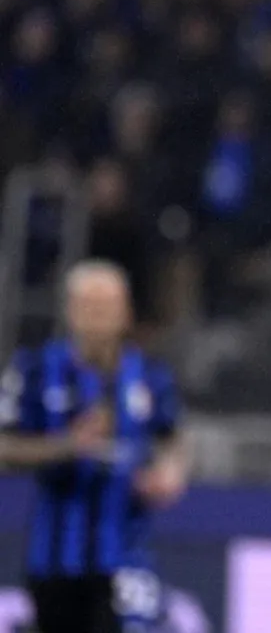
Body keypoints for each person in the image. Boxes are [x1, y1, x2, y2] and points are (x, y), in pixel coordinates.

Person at [0, 260, 189, 633]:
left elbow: (173, 438)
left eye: (107, 306)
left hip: (126, 553)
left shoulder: (150, 375)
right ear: (70, 310)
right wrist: (67, 446)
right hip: (54, 557)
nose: (98, 317)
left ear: (126, 312)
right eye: (89, 306)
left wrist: (171, 472)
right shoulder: (35, 370)